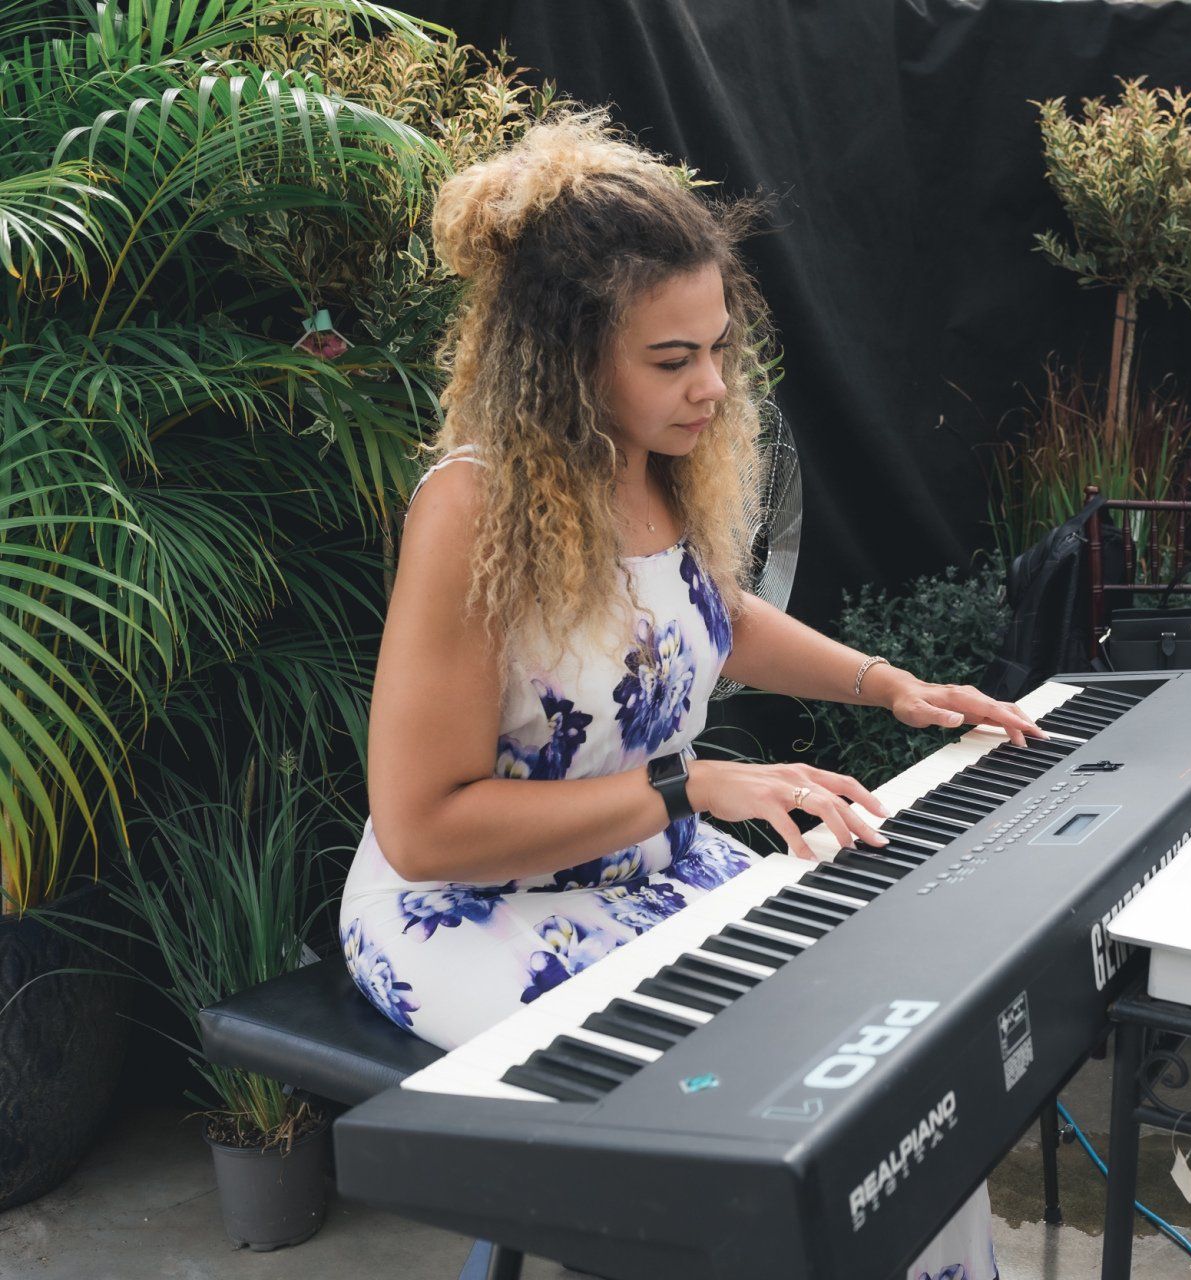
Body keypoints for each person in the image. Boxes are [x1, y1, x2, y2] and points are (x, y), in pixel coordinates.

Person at [337, 108, 1040, 1280]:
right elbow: (423, 829)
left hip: (651, 866)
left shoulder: (653, 469)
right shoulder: (469, 510)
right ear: (564, 355)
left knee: (900, 1088)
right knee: (758, 1129)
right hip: (476, 907)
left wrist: (894, 686)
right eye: (672, 359)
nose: (712, 384)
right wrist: (683, 785)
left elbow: (712, 621)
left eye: (719, 347)